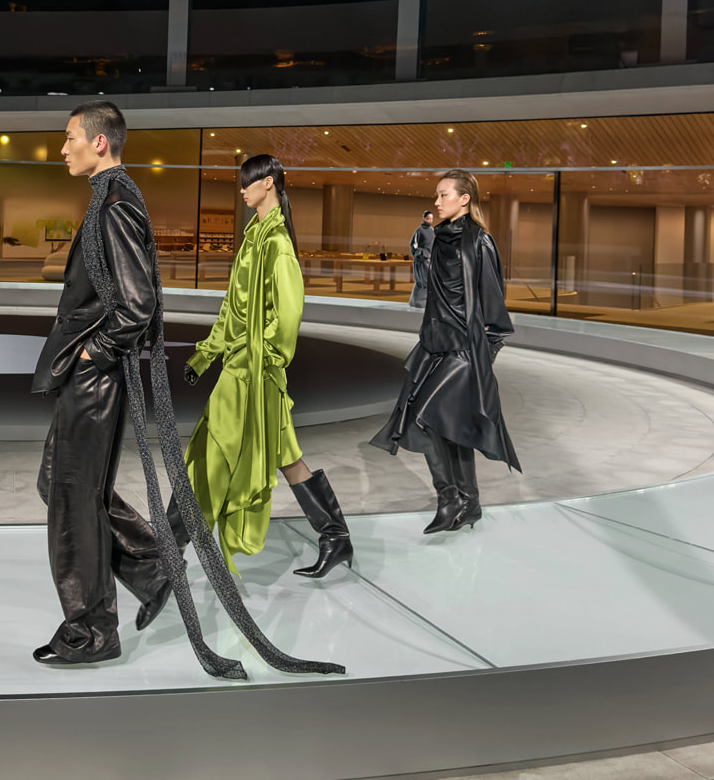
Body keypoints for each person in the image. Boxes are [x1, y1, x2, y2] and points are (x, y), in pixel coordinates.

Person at [30, 101, 171, 666]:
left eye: (69, 138)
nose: (62, 148)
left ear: (100, 144)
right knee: (59, 485)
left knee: (71, 498)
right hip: (91, 376)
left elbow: (138, 304)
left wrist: (97, 350)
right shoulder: (112, 197)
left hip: (93, 376)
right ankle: (150, 564)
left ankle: (91, 631)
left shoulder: (113, 204)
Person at [180, 154, 353, 578]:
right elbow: (232, 309)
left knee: (212, 449)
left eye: (249, 182)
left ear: (270, 183)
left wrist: (260, 357)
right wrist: (205, 355)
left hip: (255, 372)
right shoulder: (253, 237)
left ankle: (172, 543)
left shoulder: (276, 243)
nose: (242, 189)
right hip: (245, 368)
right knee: (284, 455)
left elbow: (288, 314)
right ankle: (336, 537)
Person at [371, 168, 520, 533]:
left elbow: (494, 307)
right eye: (436, 196)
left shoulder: (479, 242)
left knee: (425, 416)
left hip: (464, 354)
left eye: (443, 195)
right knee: (446, 424)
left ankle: (449, 498)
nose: (436, 202)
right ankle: (470, 503)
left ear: (464, 199)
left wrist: (482, 359)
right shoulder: (439, 239)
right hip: (433, 347)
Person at [409, 210, 435, 309]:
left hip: (429, 258)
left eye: (432, 219)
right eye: (428, 219)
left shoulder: (432, 230)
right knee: (422, 280)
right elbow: (413, 245)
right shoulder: (419, 231)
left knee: (428, 280)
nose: (430, 221)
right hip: (421, 259)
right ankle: (419, 301)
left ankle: (418, 300)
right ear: (423, 218)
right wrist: (419, 255)